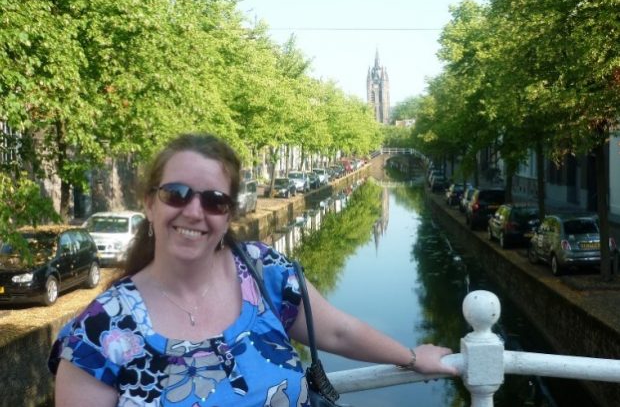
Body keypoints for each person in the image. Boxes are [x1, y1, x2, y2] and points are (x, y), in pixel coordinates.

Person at [49, 133, 457, 407]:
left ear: (229, 215)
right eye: (176, 194)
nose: (194, 211)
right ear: (150, 203)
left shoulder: (264, 273)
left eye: (214, 201)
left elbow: (337, 330)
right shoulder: (101, 331)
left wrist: (412, 356)